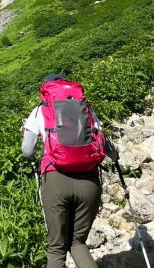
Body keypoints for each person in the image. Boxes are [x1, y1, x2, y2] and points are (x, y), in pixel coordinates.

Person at [22, 74, 116, 268]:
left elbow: (27, 151)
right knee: (78, 242)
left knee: (56, 248)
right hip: (89, 182)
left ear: (46, 91)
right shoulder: (86, 110)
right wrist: (116, 158)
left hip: (56, 180)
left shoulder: (41, 110)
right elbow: (107, 147)